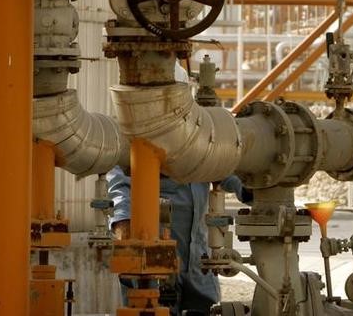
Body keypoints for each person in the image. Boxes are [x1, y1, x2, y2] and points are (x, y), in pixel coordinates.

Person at [108, 62, 252, 316]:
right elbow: (120, 187)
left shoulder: (195, 140)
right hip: (153, 267)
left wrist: (252, 189)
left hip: (199, 268)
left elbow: (224, 168)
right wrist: (124, 223)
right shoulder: (132, 140)